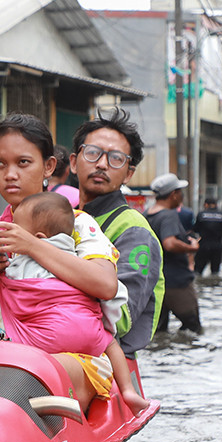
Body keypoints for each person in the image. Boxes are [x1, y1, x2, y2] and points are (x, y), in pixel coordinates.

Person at [0, 113, 131, 412]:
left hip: (75, 360)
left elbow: (105, 284)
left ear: (48, 167)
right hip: (2, 356)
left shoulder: (80, 225)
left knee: (33, 372)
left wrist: (33, 246)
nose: (10, 174)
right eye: (0, 164)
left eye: (23, 163)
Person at [0, 191, 149, 414]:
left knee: (14, 358)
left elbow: (8, 286)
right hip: (91, 334)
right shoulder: (76, 256)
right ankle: (128, 390)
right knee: (111, 342)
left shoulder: (22, 262)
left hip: (47, 341)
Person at [68, 108, 165, 357]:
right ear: (73, 162)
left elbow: (121, 318)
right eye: (92, 153)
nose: (102, 164)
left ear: (128, 174)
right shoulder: (61, 218)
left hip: (109, 364)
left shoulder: (134, 230)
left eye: (116, 159)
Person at [145, 172, 202, 334]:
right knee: (193, 329)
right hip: (176, 281)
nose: (181, 196)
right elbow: (169, 243)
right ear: (173, 195)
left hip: (154, 283)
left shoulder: (147, 215)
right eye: (180, 192)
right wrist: (192, 248)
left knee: (158, 331)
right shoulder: (169, 216)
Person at [192, 197, 222, 275]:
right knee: (215, 272)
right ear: (216, 205)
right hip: (217, 245)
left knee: (198, 271)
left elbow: (195, 229)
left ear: (206, 205)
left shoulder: (201, 214)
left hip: (204, 245)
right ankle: (214, 285)